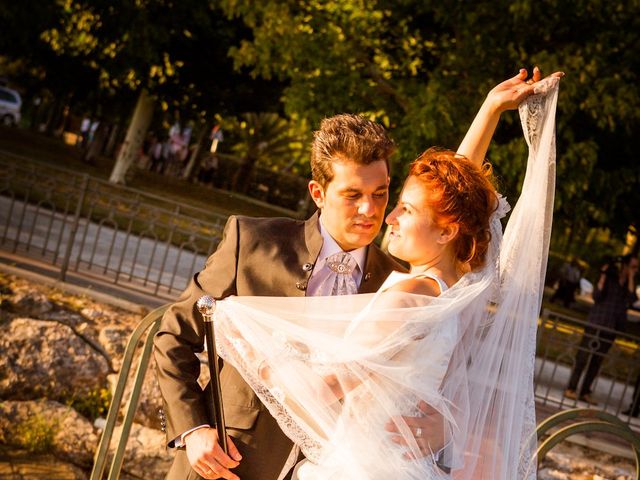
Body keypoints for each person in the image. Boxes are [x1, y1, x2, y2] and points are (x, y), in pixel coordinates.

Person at [154, 68, 561, 480]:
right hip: (228, 465)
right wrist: (194, 430)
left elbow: (447, 204)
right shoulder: (253, 241)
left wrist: (444, 423)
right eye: (353, 196)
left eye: (382, 194)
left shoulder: (401, 275)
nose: (373, 211)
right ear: (319, 193)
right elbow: (173, 336)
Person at [565, 254, 639, 404]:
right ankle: (571, 388)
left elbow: (632, 300)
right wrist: (603, 276)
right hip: (596, 322)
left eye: (637, 268)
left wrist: (631, 277)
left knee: (597, 361)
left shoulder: (627, 285)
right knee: (583, 357)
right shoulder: (610, 278)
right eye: (633, 266)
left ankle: (585, 392)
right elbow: (597, 296)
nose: (635, 270)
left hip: (611, 328)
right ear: (624, 265)